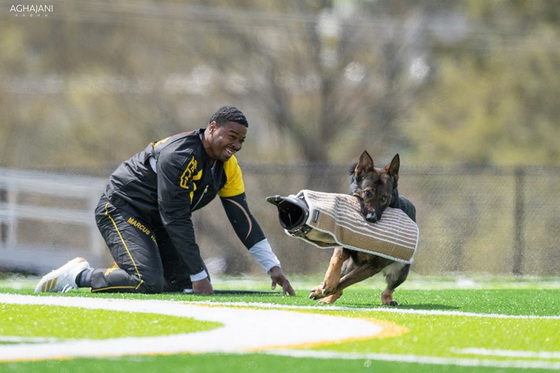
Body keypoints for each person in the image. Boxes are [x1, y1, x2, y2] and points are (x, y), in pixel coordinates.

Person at [35, 106, 295, 296]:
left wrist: (272, 266)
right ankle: (77, 275)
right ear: (212, 128)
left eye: (241, 140)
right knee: (147, 281)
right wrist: (200, 275)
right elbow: (175, 217)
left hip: (158, 219)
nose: (236, 145)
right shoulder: (179, 156)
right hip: (122, 208)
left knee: (182, 285)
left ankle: (130, 264)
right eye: (232, 136)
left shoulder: (228, 167)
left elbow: (242, 217)